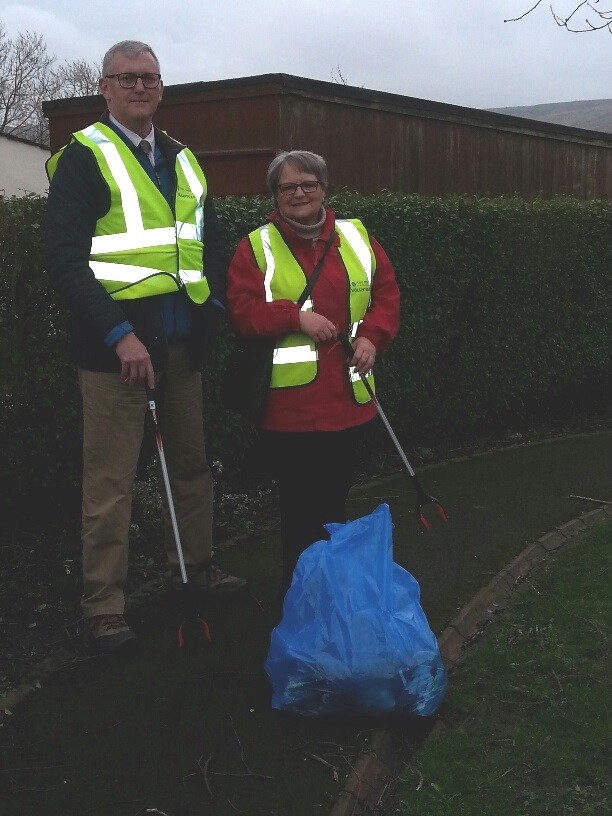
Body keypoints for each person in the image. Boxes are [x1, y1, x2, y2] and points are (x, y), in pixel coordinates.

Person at [44, 40, 246, 655]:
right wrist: (117, 333)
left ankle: (198, 568)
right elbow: (64, 260)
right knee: (110, 484)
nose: (139, 87)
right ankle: (105, 607)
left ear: (161, 88)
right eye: (126, 78)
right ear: (104, 87)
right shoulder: (84, 157)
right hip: (116, 355)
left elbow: (206, 244)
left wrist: (207, 310)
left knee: (190, 469)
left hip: (181, 350)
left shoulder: (184, 159)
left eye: (150, 78)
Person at [226, 150, 400, 593]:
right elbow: (242, 312)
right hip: (291, 412)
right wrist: (294, 318)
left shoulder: (357, 237)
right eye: (288, 187)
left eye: (309, 184)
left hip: (347, 401)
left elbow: (386, 295)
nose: (299, 193)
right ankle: (302, 601)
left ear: (324, 188)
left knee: (334, 505)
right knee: (300, 513)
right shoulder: (255, 246)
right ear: (275, 196)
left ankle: (331, 597)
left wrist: (371, 338)